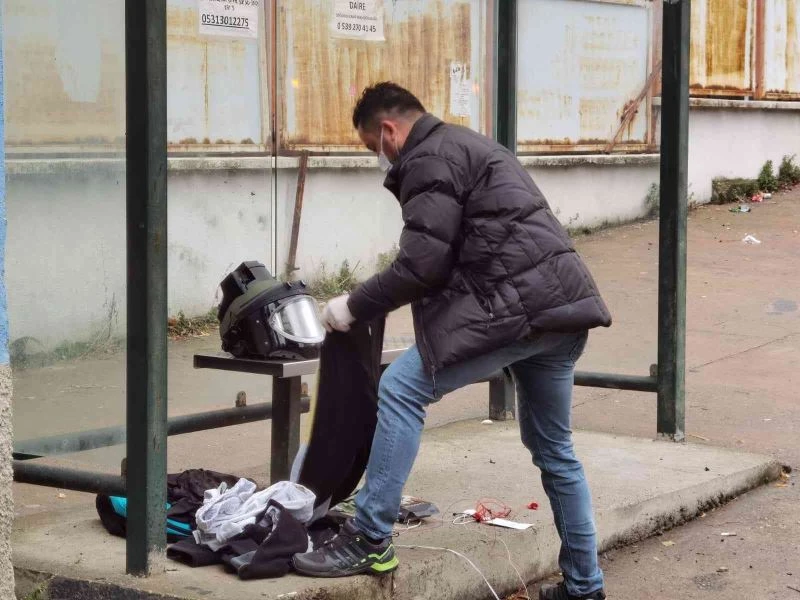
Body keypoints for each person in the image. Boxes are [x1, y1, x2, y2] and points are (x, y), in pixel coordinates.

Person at [292, 82, 611, 600]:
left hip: (517, 312)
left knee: (399, 389)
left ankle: (370, 536)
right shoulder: (467, 144)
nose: (379, 157)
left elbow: (422, 265)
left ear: (390, 130)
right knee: (556, 450)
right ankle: (584, 587)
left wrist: (351, 306)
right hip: (560, 310)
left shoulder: (427, 158)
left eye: (373, 144)